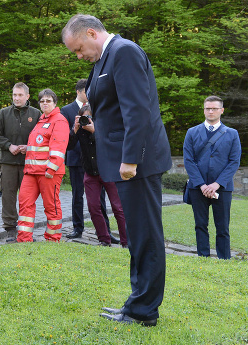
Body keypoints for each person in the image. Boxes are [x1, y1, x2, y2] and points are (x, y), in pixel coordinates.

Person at [63, 14, 172, 326]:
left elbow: (137, 110)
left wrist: (131, 159)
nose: (78, 55)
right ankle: (136, 303)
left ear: (92, 33)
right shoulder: (103, 59)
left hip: (138, 163)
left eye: (78, 48)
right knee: (137, 236)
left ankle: (145, 311)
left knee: (146, 235)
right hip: (123, 162)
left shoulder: (123, 52)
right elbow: (110, 105)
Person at [183, 96, 241, 260]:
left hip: (222, 188)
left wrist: (217, 184)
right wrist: (201, 184)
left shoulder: (232, 134)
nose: (210, 111)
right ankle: (203, 256)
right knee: (200, 225)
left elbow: (234, 162)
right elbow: (189, 160)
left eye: (214, 108)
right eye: (207, 108)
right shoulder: (192, 132)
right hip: (197, 187)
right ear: (204, 110)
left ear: (221, 110)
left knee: (222, 227)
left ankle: (224, 259)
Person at [61, 79, 115, 242]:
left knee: (100, 199)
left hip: (98, 161)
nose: (90, 94)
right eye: (87, 91)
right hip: (76, 159)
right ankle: (77, 228)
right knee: (77, 195)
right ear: (79, 92)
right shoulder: (66, 110)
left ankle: (106, 231)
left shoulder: (97, 108)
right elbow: (66, 137)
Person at [70, 104, 127, 247]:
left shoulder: (105, 127)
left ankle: (127, 241)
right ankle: (104, 239)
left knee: (118, 207)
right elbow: (69, 146)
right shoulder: (80, 130)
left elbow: (110, 144)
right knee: (93, 207)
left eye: (89, 117)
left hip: (108, 171)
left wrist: (95, 131)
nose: (87, 120)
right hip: (90, 173)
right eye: (84, 117)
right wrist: (75, 129)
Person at [16, 89, 69, 242]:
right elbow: (41, 144)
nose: (45, 103)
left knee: (51, 206)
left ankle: (53, 239)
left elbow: (59, 147)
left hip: (48, 172)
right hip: (31, 172)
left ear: (55, 103)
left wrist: (51, 168)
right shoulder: (42, 120)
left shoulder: (59, 120)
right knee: (25, 203)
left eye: (48, 100)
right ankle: (24, 239)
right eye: (42, 101)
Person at [0, 83, 41, 243]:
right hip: (9, 162)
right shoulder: (3, 114)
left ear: (27, 96)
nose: (16, 98)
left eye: (20, 95)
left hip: (29, 163)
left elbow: (42, 135)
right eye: (14, 95)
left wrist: (30, 147)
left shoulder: (36, 113)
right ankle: (10, 230)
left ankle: (26, 230)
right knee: (8, 196)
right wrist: (8, 146)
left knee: (27, 198)